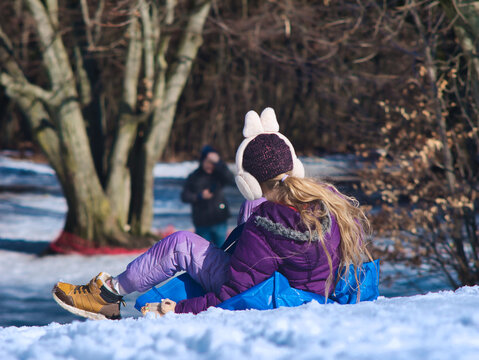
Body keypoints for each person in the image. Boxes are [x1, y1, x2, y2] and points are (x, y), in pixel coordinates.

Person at [52, 107, 372, 319]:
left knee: (180, 244)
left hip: (272, 291)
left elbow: (235, 295)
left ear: (247, 181)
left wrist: (177, 309)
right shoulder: (328, 201)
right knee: (251, 210)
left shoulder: (267, 227)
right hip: (310, 286)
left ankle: (107, 295)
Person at [181, 145, 235, 248]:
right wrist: (199, 196)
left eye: (212, 163)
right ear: (202, 161)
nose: (210, 165)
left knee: (222, 251)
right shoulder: (194, 176)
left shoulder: (219, 174)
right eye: (208, 162)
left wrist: (219, 162)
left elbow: (231, 179)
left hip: (219, 220)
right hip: (202, 222)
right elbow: (185, 196)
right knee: (203, 252)